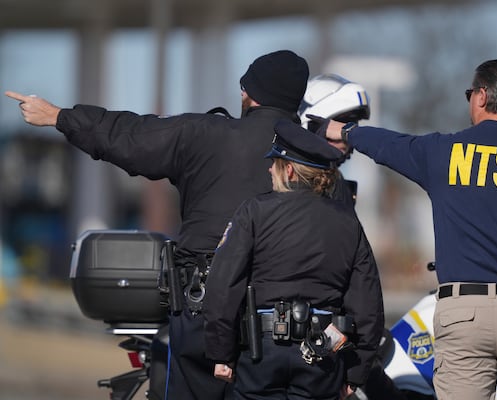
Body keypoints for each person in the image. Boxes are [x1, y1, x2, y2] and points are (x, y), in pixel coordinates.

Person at [5, 49, 310, 400]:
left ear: (249, 93)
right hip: (287, 325)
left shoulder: (205, 134)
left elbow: (131, 136)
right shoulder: (317, 160)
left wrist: (59, 116)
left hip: (203, 309)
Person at [320, 59, 497, 400]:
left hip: (462, 314)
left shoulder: (443, 153)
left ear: (482, 96)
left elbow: (390, 145)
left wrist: (346, 132)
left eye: (469, 93)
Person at [202, 120, 385, 400]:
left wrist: (220, 352)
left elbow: (223, 284)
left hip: (259, 351)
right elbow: (367, 303)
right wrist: (356, 372)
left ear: (288, 169)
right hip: (323, 353)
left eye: (273, 164)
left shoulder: (254, 212)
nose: (268, 170)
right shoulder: (348, 223)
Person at [299, 73, 371, 207]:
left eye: (351, 126)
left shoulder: (336, 188)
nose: (342, 134)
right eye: (337, 124)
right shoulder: (290, 182)